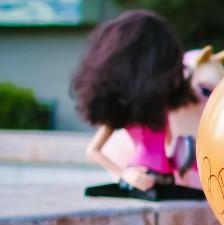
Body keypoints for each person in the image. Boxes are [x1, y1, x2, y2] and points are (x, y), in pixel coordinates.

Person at [70, 9, 205, 201]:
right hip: (140, 180)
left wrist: (185, 156)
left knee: (200, 200)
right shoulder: (126, 113)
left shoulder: (162, 109)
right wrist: (124, 173)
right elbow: (93, 151)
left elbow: (168, 145)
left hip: (166, 180)